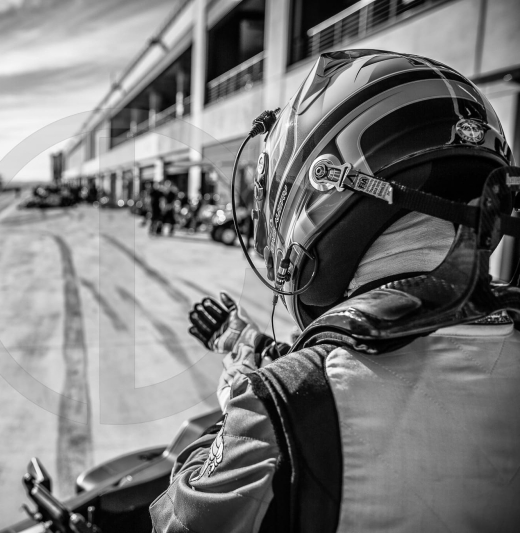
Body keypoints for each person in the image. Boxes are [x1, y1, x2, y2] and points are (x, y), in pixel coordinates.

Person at [151, 50, 520, 532]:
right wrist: (243, 342)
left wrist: (234, 408)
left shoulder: (275, 409)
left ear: (324, 184)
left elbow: (178, 521)